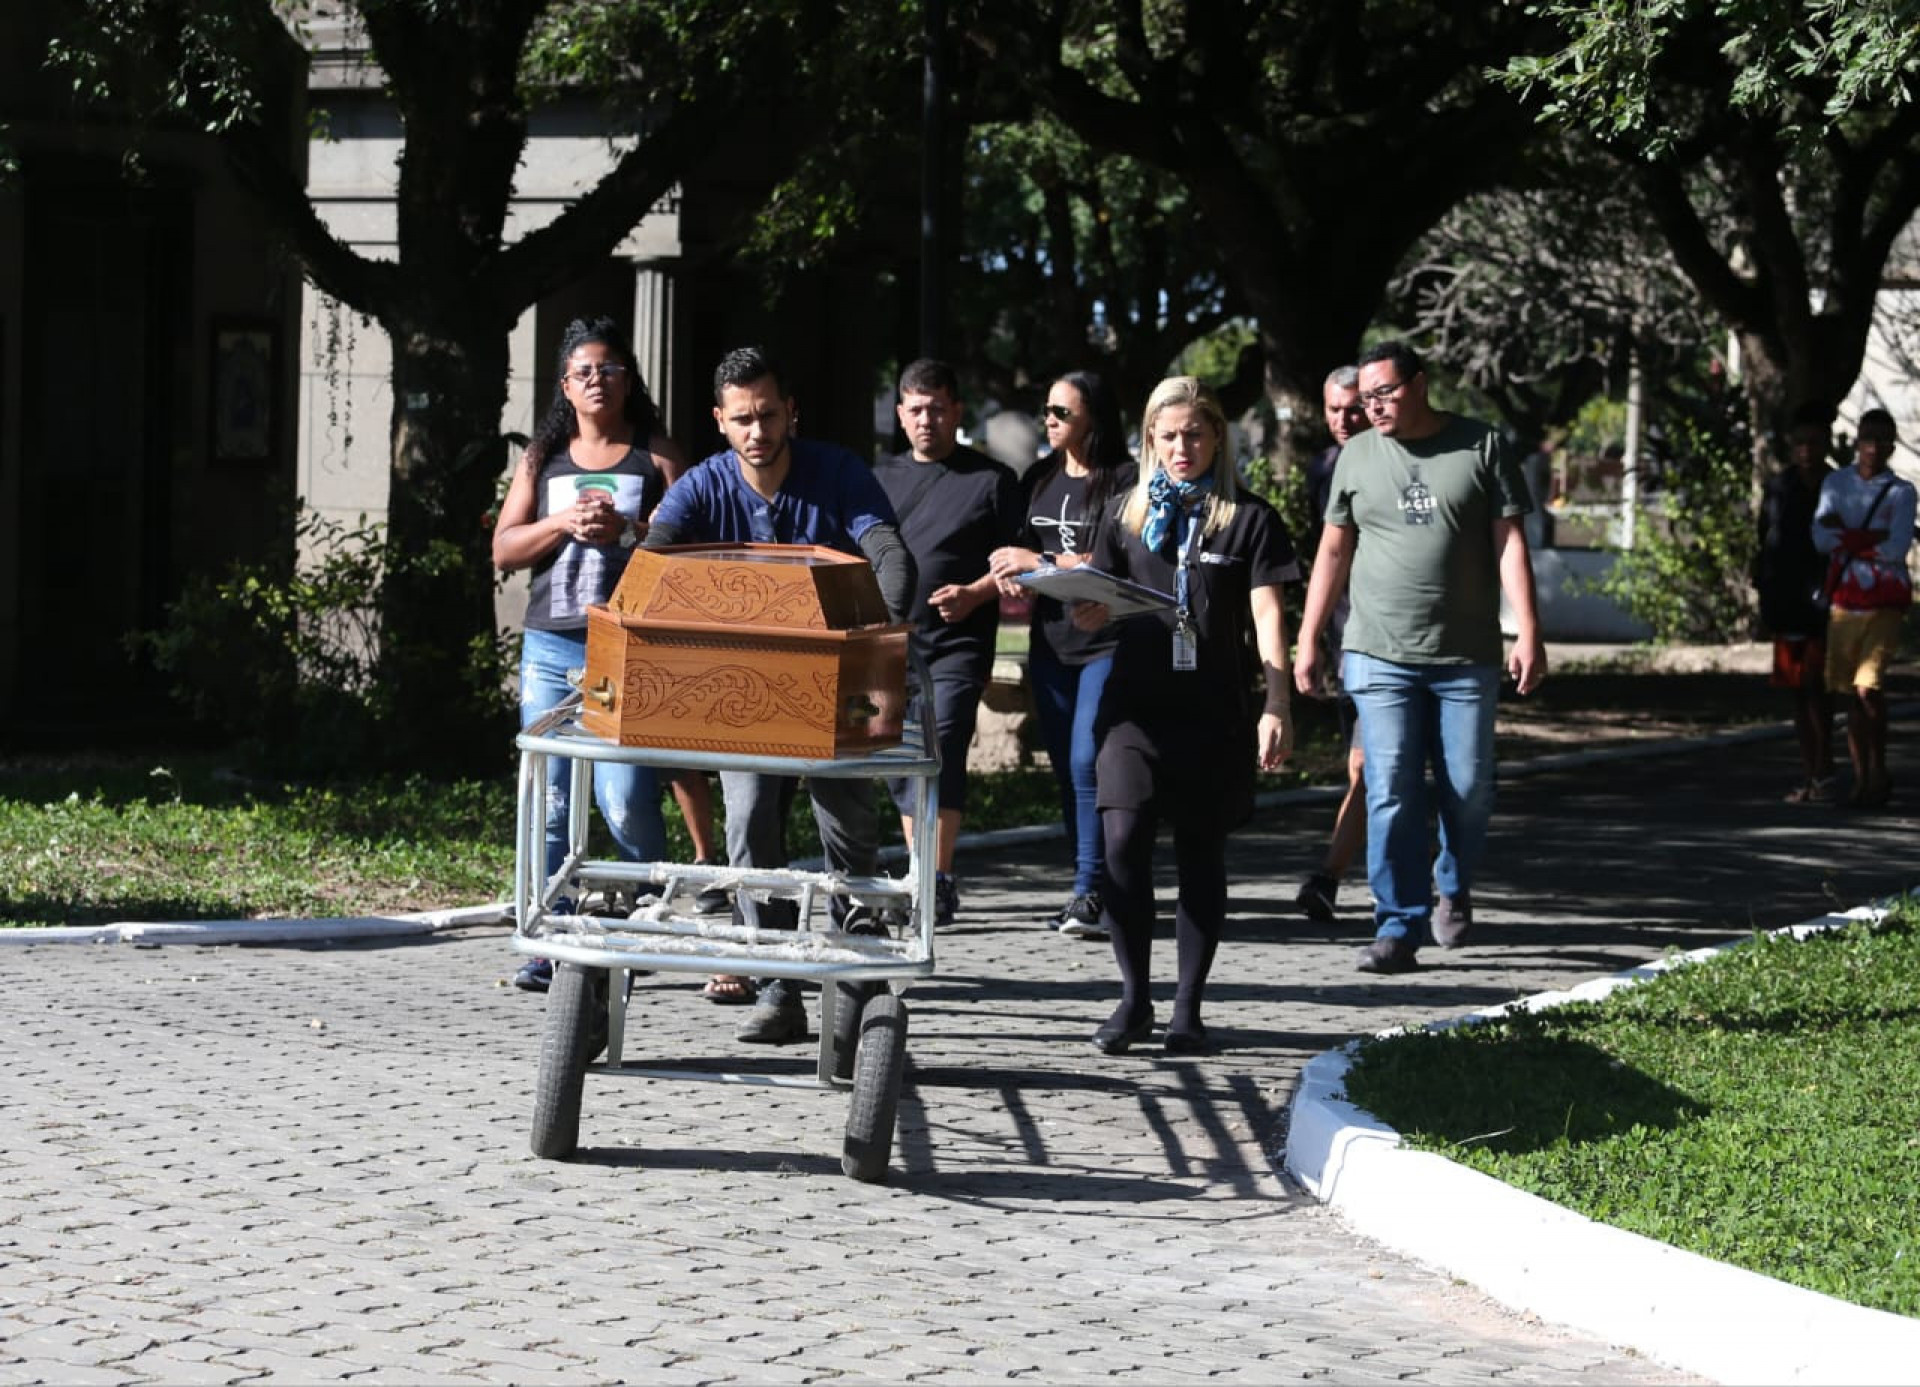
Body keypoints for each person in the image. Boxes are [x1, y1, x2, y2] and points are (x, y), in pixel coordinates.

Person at [643, 345, 916, 1043]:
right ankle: (776, 985)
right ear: (720, 422)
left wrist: (880, 620)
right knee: (749, 822)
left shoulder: (838, 473)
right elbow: (656, 552)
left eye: (768, 414)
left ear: (790, 410)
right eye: (742, 419)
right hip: (744, 691)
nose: (758, 431)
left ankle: (858, 976)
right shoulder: (702, 486)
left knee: (847, 829)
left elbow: (886, 547)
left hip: (836, 686)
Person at [1294, 340, 1545, 975]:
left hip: (1466, 655)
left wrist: (1529, 633)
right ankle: (1397, 923)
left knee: (1468, 788)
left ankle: (1453, 885)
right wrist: (1309, 637)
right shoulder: (1356, 456)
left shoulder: (1480, 445)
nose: (1372, 408)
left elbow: (1511, 541)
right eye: (1365, 397)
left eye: (1384, 394)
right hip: (1377, 652)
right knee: (1391, 787)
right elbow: (1331, 552)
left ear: (1421, 384)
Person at [1071, 376, 1298, 1055]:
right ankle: (1134, 998)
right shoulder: (1123, 513)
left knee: (1201, 854)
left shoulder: (1249, 518)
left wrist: (1277, 703)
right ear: (1148, 440)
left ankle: (1187, 1010)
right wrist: (1088, 610)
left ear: (1216, 437)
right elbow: (1099, 597)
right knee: (1120, 844)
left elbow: (1265, 615)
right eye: (1166, 435)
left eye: (1193, 434)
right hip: (1134, 709)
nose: (1180, 447)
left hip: (1212, 711)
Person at [492, 317, 681, 992]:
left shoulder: (655, 455)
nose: (596, 380)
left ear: (628, 380)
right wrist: (561, 523)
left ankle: (644, 922)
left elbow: (691, 546)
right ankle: (546, 935)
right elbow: (504, 548)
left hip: (628, 645)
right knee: (549, 795)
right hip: (549, 643)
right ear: (565, 388)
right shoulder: (545, 460)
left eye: (608, 369)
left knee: (624, 796)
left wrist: (629, 529)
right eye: (582, 372)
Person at [986, 370, 1138, 940]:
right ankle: (1088, 884)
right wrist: (1017, 577)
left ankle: (1091, 891)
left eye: (1061, 412)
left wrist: (1041, 565)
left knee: (1085, 761)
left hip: (1107, 642)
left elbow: (1121, 561)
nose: (1048, 419)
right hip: (1050, 644)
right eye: (1045, 410)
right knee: (1064, 770)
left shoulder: (1125, 479)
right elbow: (1028, 556)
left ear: (1092, 417)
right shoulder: (1040, 478)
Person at [874, 360, 1022, 930]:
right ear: (901, 414)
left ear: (957, 412)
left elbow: (1018, 561)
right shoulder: (880, 478)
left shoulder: (990, 480)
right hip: (890, 645)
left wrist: (976, 593)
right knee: (898, 760)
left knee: (943, 747)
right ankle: (920, 872)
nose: (927, 420)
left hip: (957, 643)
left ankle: (934, 878)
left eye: (938, 408)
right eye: (916, 409)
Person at [1293, 365, 1371, 924]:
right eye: (1334, 410)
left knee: (1371, 768)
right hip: (1349, 641)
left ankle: (1330, 876)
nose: (1345, 420)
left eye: (1355, 408)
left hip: (1397, 642)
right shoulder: (1326, 468)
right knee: (1364, 769)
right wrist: (1312, 637)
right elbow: (1327, 558)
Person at [1813, 407, 1916, 810]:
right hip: (1844, 599)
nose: (1873, 447)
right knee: (1849, 693)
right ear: (1856, 441)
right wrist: (1866, 537)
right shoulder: (1836, 484)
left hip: (1884, 599)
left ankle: (1878, 767)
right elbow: (1820, 536)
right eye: (1866, 438)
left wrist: (1849, 538)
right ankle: (1863, 776)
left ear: (1891, 446)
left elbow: (1896, 548)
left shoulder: (1902, 492)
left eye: (1881, 440)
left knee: (1867, 686)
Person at [1754, 407, 1838, 803]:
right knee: (1797, 692)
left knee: (1819, 687)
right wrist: (1766, 601)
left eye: (1815, 443)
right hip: (1785, 600)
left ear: (1827, 444)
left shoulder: (1839, 487)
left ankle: (1827, 770)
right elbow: (1766, 541)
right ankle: (1809, 773)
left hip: (1828, 599)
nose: (1807, 450)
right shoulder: (1779, 486)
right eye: (1800, 442)